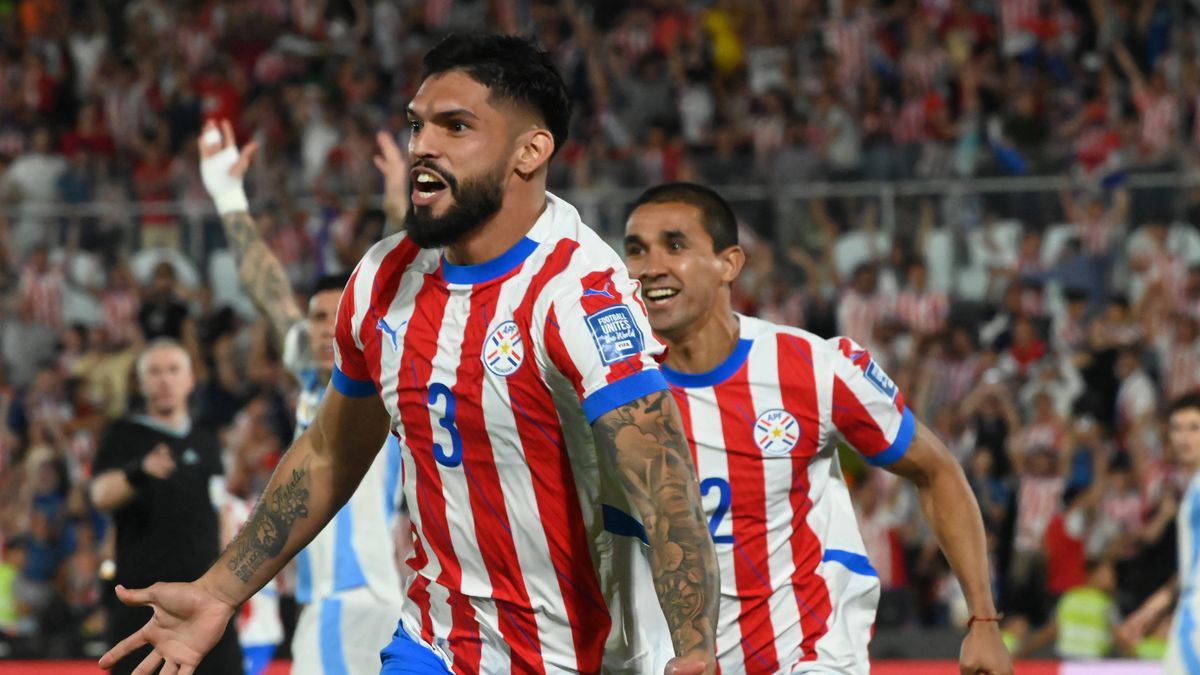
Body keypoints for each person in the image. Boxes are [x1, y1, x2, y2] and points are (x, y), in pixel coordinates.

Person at [100, 34, 719, 675]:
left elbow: (665, 485)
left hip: (580, 654)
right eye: (418, 125)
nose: (423, 145)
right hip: (435, 643)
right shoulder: (383, 278)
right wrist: (218, 591)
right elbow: (331, 450)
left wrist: (696, 653)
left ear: (530, 151)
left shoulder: (579, 295)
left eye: (457, 127)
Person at [622, 182, 1013, 675]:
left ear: (729, 264)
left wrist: (982, 619)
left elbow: (936, 471)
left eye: (674, 246)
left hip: (806, 655)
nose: (650, 266)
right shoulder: (610, 385)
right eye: (636, 250)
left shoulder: (812, 368)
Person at [199, 118, 405, 675]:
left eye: (333, 319)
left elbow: (399, 280)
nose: (319, 330)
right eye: (314, 318)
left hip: (354, 600)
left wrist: (397, 208)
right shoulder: (316, 379)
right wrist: (226, 193)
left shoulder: (384, 371)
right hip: (348, 602)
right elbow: (264, 281)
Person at [89, 339, 243, 675]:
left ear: (190, 380)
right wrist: (138, 471)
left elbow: (221, 512)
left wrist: (232, 583)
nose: (164, 380)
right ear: (141, 383)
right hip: (143, 605)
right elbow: (100, 493)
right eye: (154, 372)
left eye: (173, 370)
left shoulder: (206, 439)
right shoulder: (123, 436)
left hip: (205, 601)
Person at [1117, 393, 1200, 674]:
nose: (1183, 437)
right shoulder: (1190, 489)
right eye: (1177, 428)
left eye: (1194, 428)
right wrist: (1153, 608)